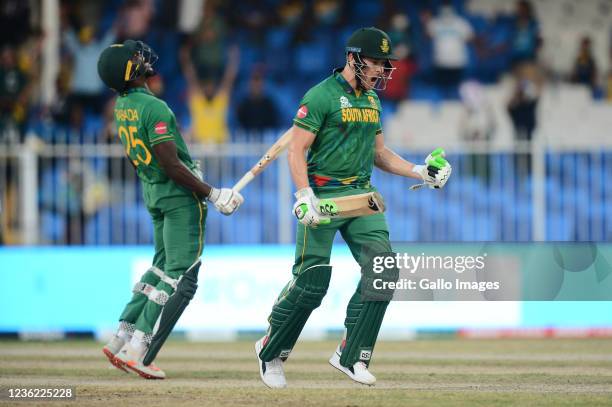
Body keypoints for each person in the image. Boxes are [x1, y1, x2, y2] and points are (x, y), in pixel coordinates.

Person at [254, 27, 452, 388]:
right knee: (311, 283)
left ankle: (352, 355)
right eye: (375, 62)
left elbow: (379, 153)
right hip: (324, 198)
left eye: (384, 64)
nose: (380, 70)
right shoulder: (320, 96)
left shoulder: (373, 102)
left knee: (384, 271)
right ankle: (271, 350)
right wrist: (303, 195)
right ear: (353, 58)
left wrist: (419, 170)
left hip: (362, 197)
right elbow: (296, 149)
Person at [97, 39, 243, 379]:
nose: (143, 58)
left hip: (154, 193)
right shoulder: (156, 108)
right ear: (129, 71)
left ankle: (119, 337)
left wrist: (168, 181)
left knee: (160, 267)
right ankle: (138, 350)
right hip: (178, 198)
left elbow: (149, 162)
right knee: (177, 271)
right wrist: (212, 193)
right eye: (135, 58)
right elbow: (172, 165)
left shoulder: (122, 105)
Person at [425, 0, 473, 98]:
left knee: (456, 88)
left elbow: (470, 37)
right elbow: (428, 35)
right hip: (441, 61)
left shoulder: (460, 23)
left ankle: (455, 101)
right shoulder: (435, 23)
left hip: (457, 61)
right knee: (443, 89)